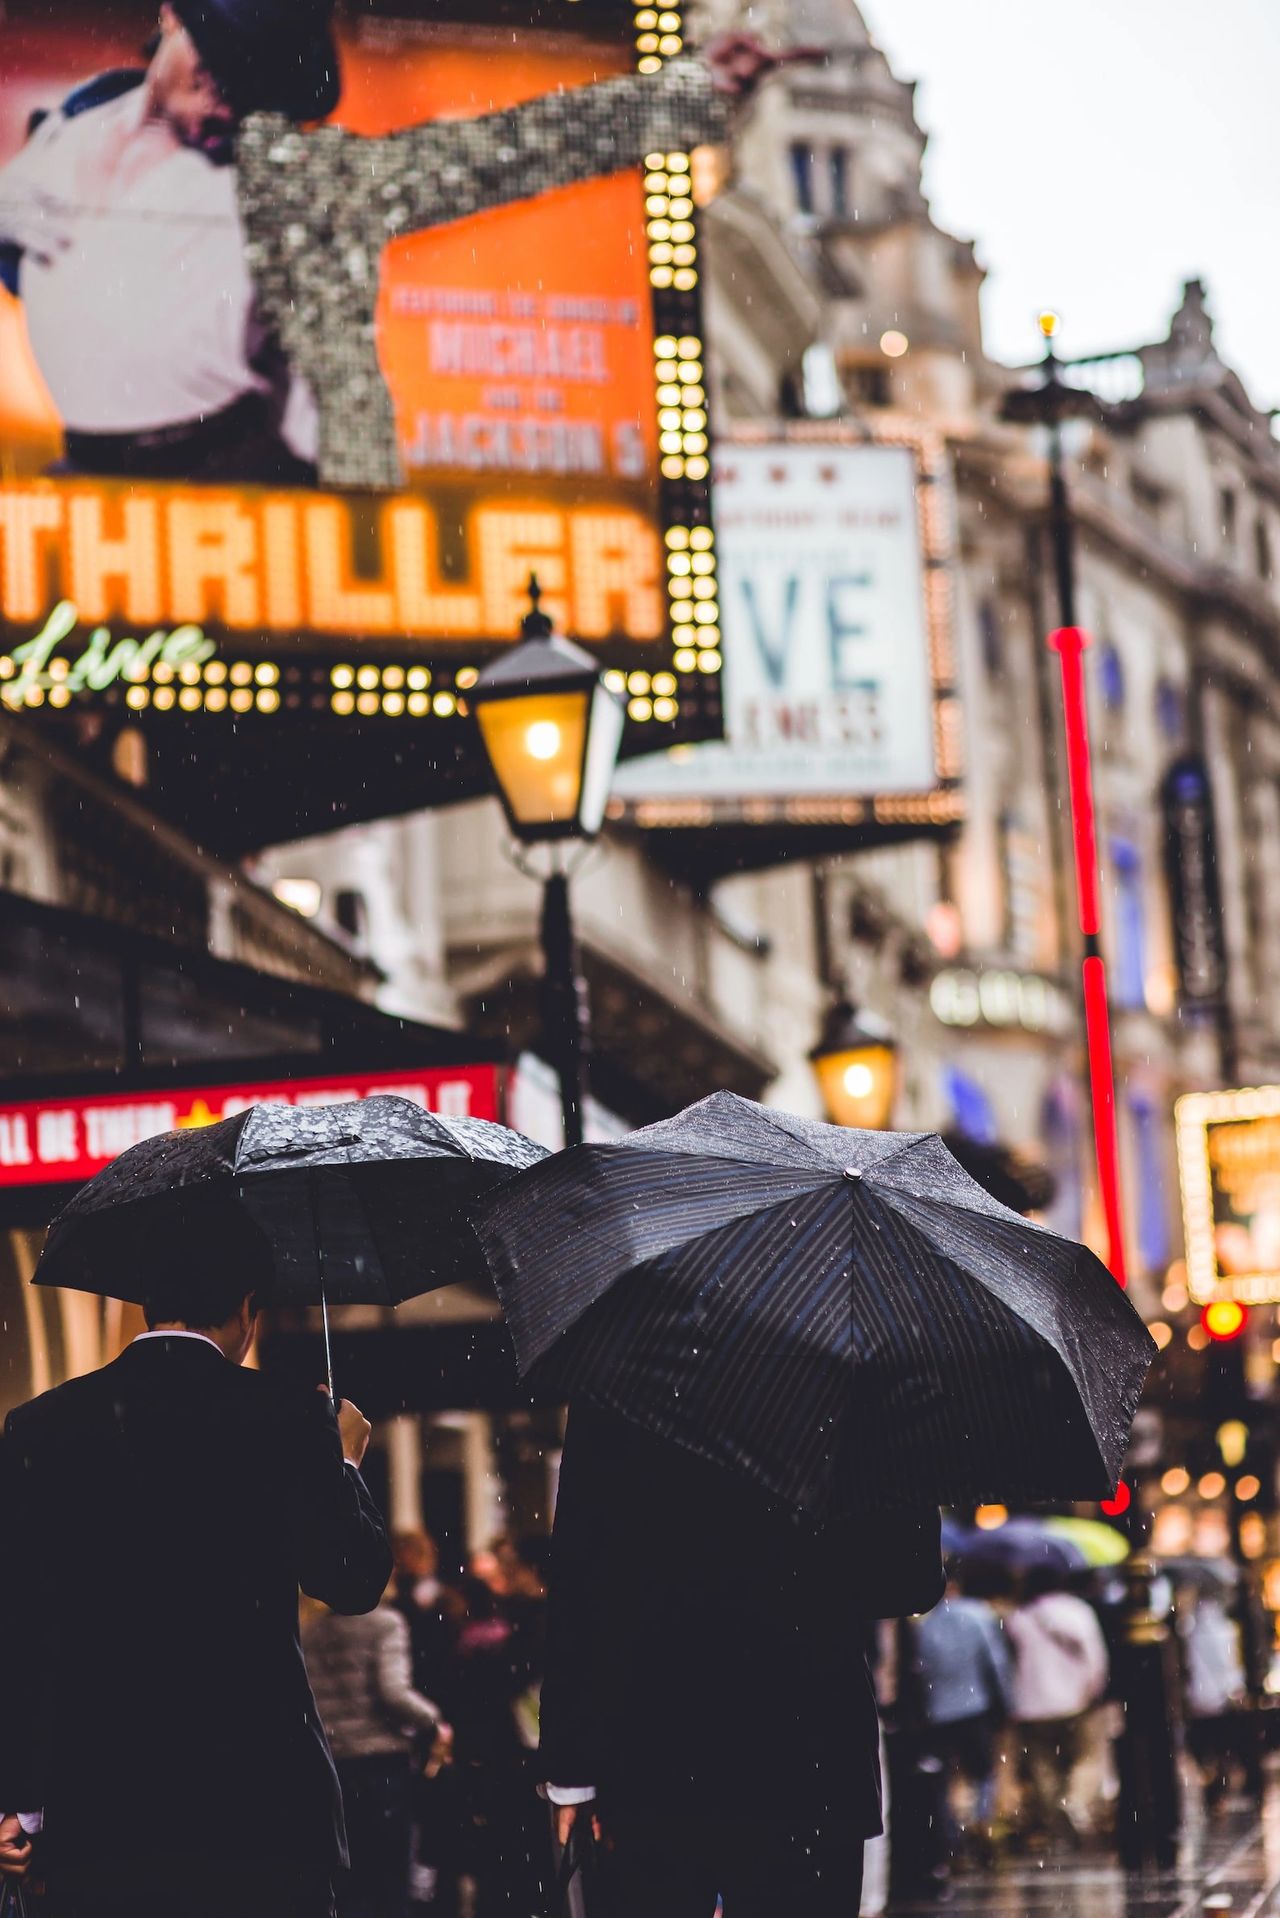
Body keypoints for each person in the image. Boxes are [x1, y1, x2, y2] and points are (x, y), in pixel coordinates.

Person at [0, 1202, 392, 1918]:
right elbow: (352, 1579)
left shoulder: (43, 1427)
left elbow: (21, 1622)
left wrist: (19, 1797)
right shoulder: (287, 1416)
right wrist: (343, 1464)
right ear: (247, 1307)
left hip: (102, 1808)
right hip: (260, 1810)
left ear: (150, 1302)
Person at [544, 1401, 944, 1918]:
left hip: (653, 1739)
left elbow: (582, 1574)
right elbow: (907, 1580)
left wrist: (572, 1765)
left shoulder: (624, 1370)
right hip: (809, 1744)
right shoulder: (856, 1374)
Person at [0, 0, 335, 482]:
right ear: (174, 15)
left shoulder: (266, 191)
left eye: (253, 83)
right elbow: (49, 281)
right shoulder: (77, 117)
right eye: (219, 67)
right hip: (87, 469)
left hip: (218, 473)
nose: (225, 101)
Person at [304, 1588, 448, 1918]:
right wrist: (433, 1721)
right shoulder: (385, 1623)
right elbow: (393, 1692)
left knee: (350, 1879)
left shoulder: (312, 1632)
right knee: (390, 1877)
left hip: (334, 1765)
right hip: (381, 1765)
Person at [913, 1568, 1014, 1865]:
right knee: (982, 1772)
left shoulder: (924, 1626)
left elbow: (920, 1671)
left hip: (939, 1712)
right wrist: (1005, 1702)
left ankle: (953, 1835)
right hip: (975, 1707)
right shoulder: (978, 1615)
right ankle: (981, 1822)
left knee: (944, 1777)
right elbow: (997, 1662)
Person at [1006, 1563, 1110, 1845]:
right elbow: (1094, 1655)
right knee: (1087, 1757)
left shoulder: (1020, 1616)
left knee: (1043, 1764)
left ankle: (1055, 1818)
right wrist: (1094, 1689)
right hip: (1074, 1700)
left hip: (1031, 1704)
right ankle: (1074, 1802)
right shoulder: (1076, 1611)